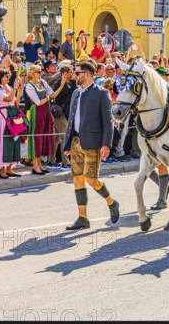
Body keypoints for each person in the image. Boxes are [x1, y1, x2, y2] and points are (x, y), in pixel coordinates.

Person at [63, 61, 120, 230]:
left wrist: (106, 145)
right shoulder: (75, 93)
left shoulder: (101, 93)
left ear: (87, 74)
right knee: (78, 179)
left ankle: (112, 202)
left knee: (91, 180)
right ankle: (83, 218)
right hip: (76, 141)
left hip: (93, 142)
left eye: (78, 72)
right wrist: (67, 143)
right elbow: (71, 120)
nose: (75, 75)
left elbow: (108, 120)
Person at [25, 64, 64, 175]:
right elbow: (38, 102)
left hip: (45, 110)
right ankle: (35, 165)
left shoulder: (42, 82)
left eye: (40, 71)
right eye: (38, 72)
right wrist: (47, 98)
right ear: (32, 73)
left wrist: (62, 85)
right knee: (37, 137)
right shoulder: (29, 86)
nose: (40, 73)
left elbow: (53, 94)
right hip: (36, 112)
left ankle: (39, 164)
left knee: (44, 136)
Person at [0, 69, 24, 179]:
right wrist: (15, 88)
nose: (7, 77)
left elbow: (15, 102)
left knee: (13, 140)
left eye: (7, 75)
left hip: (12, 114)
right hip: (4, 115)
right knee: (3, 142)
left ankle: (10, 169)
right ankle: (2, 171)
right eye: (4, 76)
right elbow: (9, 98)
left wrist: (19, 91)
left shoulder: (9, 88)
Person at [51, 64, 75, 170]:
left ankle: (52, 160)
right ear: (64, 73)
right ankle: (65, 162)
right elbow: (68, 92)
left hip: (62, 113)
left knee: (56, 138)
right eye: (71, 72)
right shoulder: (59, 83)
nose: (72, 74)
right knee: (64, 136)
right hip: (58, 113)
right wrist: (73, 81)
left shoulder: (67, 83)